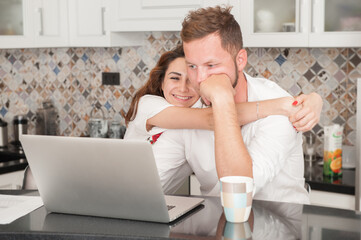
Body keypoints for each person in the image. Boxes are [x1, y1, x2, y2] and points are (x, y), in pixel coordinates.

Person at [149, 6, 323, 204]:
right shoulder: (193, 111)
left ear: (240, 60)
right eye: (192, 66)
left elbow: (238, 196)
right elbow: (147, 183)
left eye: (211, 66)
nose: (200, 79)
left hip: (280, 229)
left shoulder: (280, 110)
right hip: (217, 228)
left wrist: (222, 98)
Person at [124, 45, 321, 142]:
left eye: (191, 80)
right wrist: (282, 105)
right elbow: (217, 117)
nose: (183, 88)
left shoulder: (197, 106)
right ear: (161, 81)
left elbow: (227, 111)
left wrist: (314, 99)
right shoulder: (147, 105)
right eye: (174, 78)